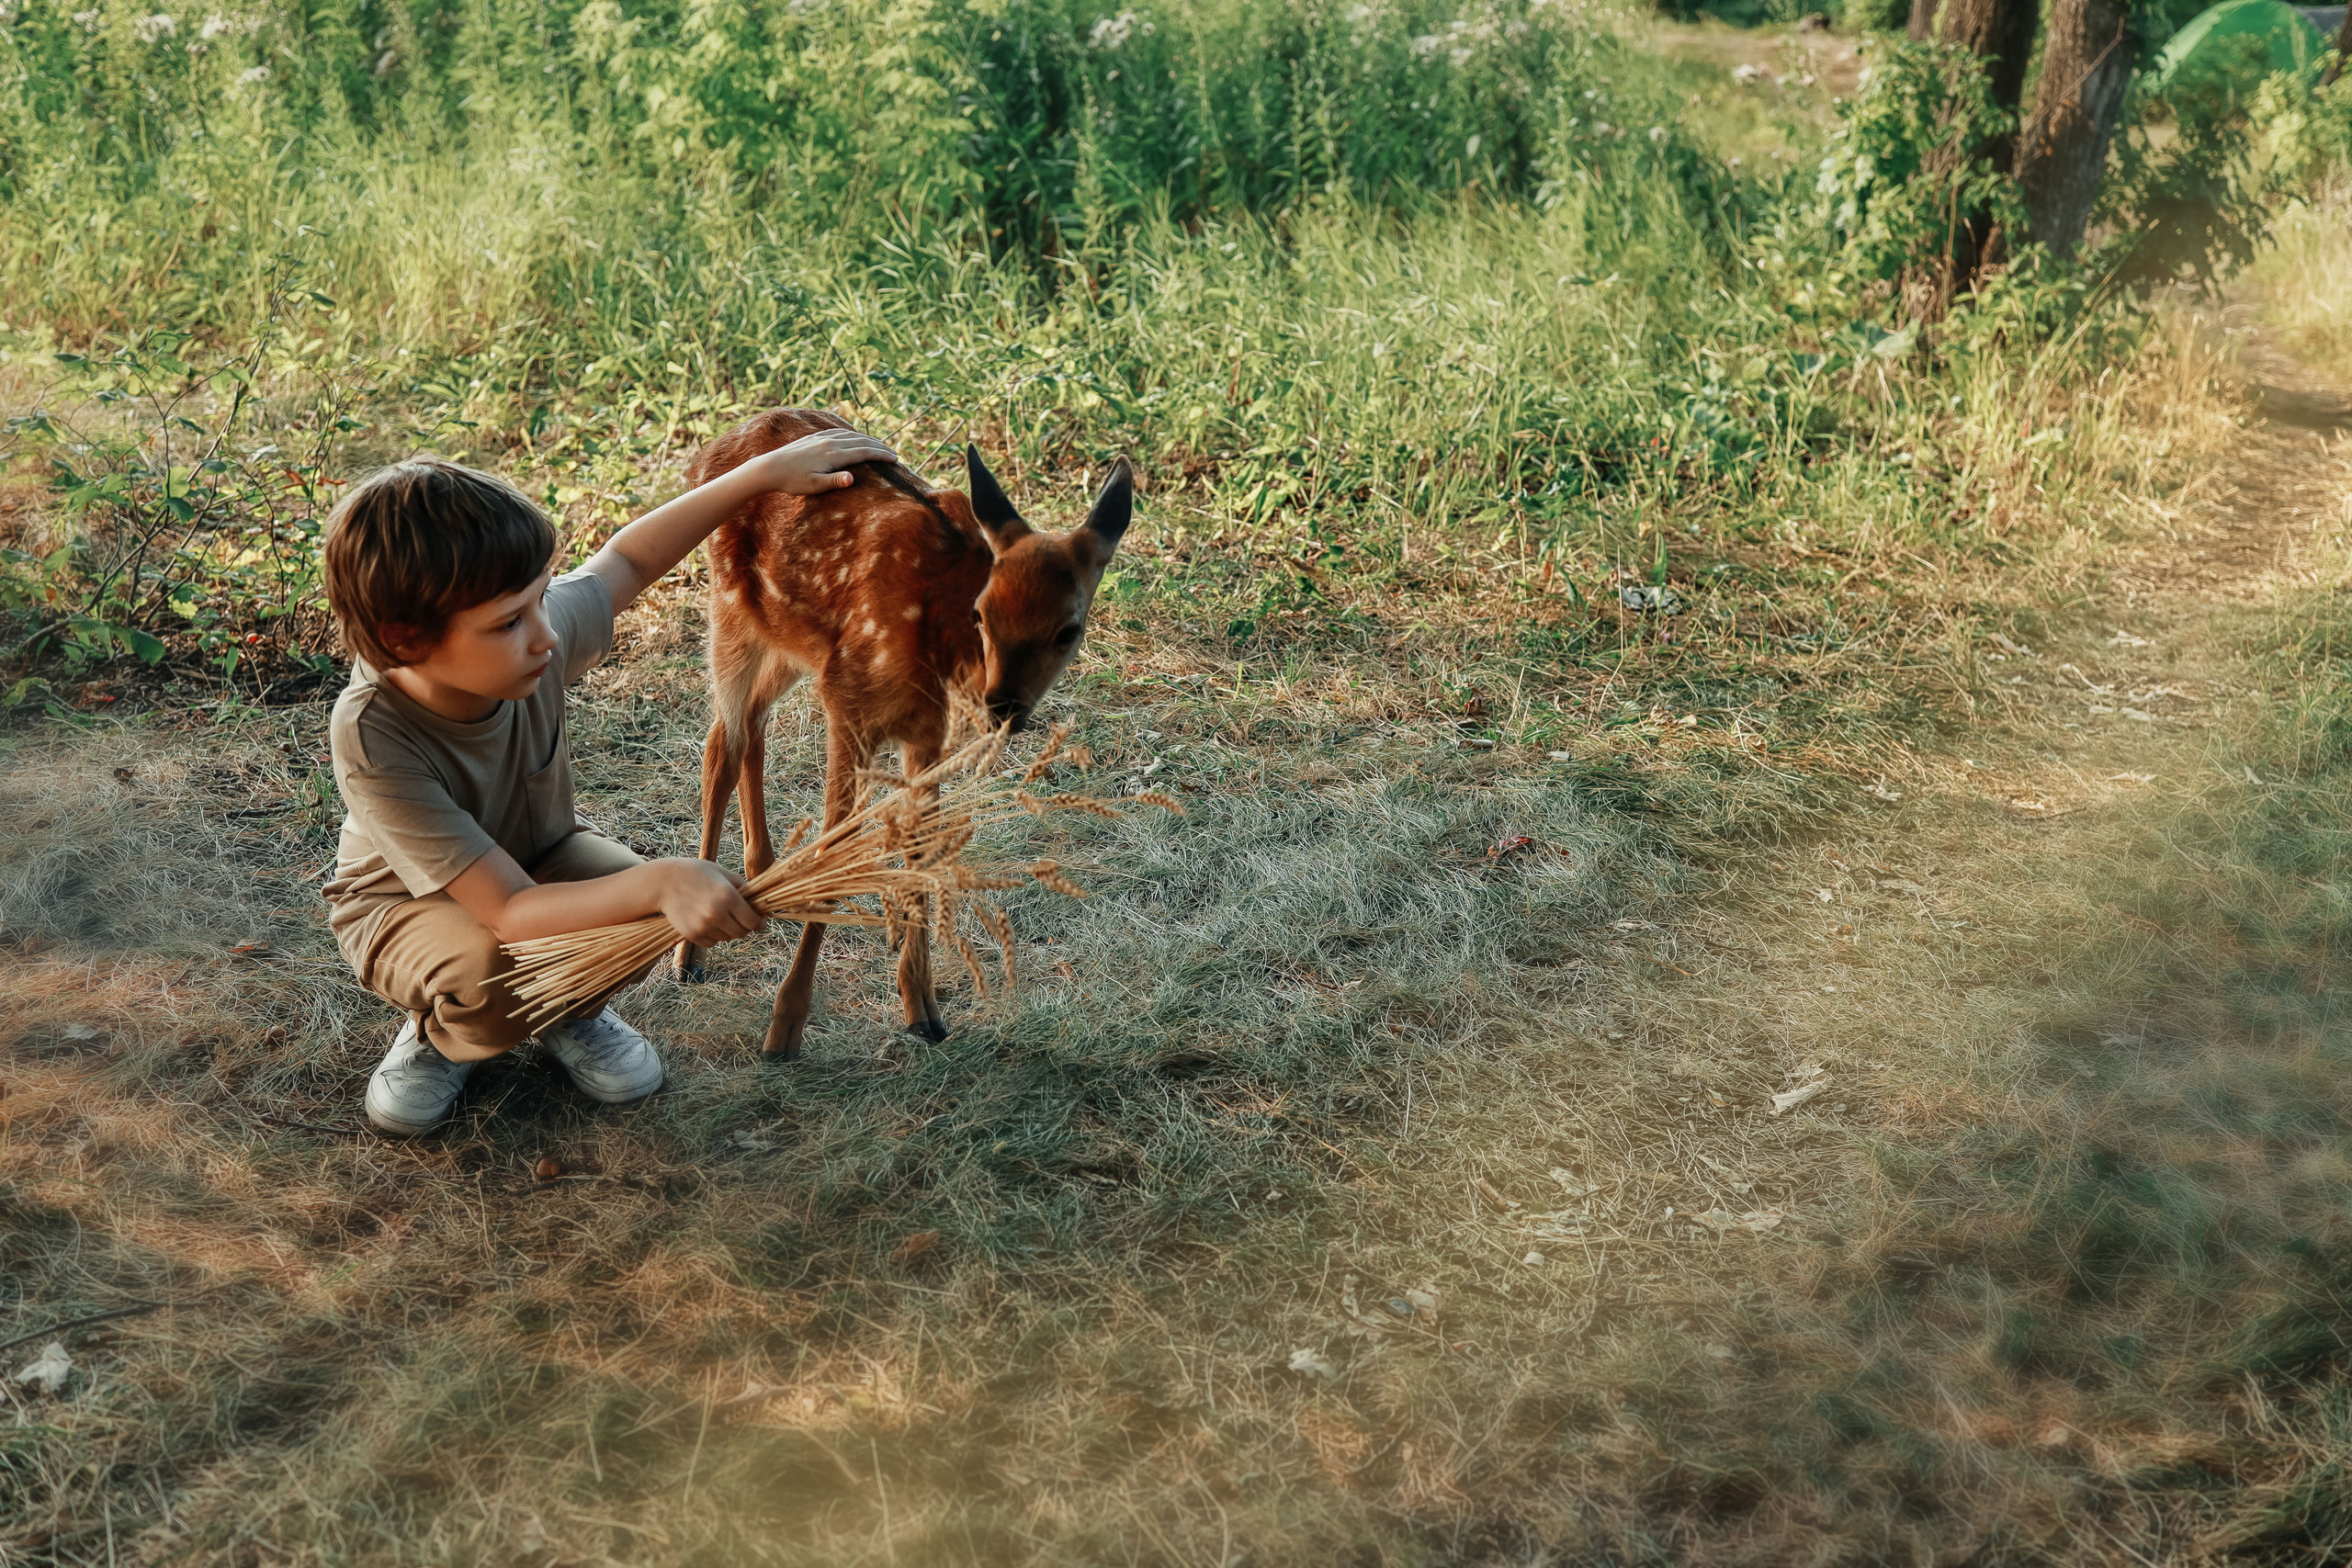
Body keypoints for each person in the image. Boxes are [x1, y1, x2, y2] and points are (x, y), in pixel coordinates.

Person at [320, 426, 897, 1135]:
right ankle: (442, 1034)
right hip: (404, 904)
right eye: (509, 621)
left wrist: (763, 473)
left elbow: (626, 559)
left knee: (644, 915)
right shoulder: (374, 733)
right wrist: (661, 878)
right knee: (487, 965)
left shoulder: (520, 644)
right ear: (406, 640)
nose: (547, 635)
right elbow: (507, 910)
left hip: (537, 864)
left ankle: (569, 1012)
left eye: (540, 601)